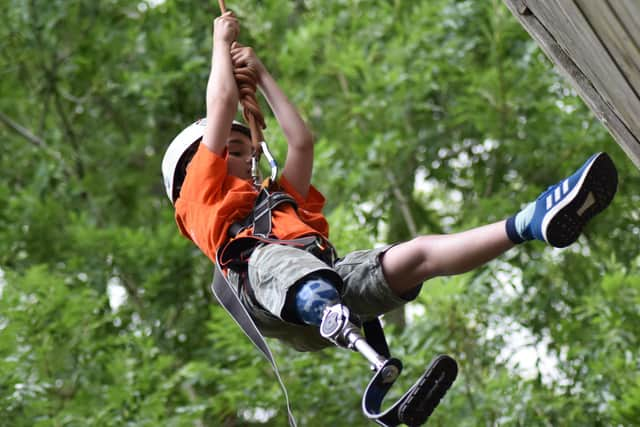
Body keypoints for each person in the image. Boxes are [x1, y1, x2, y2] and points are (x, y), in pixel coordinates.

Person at [161, 11, 618, 353]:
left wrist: (262, 76)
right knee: (274, 260)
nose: (245, 155)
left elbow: (301, 144)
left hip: (326, 287)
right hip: (273, 293)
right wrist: (220, 44)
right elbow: (220, 101)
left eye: (246, 149)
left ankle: (529, 222)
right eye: (231, 152)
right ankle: (334, 317)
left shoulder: (275, 203)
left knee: (413, 256)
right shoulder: (199, 198)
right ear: (193, 170)